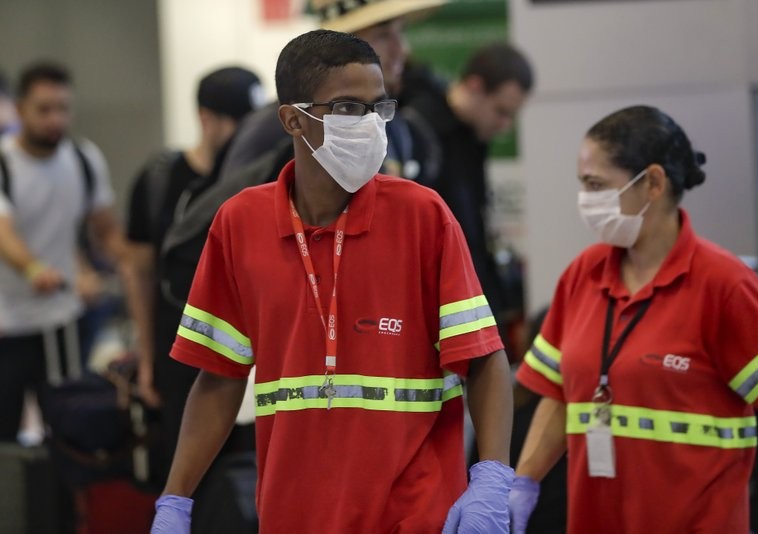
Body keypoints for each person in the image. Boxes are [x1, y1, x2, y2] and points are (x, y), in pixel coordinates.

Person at [151, 29, 515, 533]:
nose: (368, 124)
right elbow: (219, 377)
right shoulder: (239, 223)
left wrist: (492, 477)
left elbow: (483, 358)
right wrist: (175, 500)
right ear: (292, 119)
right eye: (347, 108)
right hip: (293, 514)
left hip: (415, 514)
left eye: (378, 107)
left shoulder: (422, 215)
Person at [508, 105, 758, 533]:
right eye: (582, 184)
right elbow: (556, 394)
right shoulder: (582, 276)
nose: (585, 200)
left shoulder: (723, 285)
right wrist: (523, 484)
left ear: (653, 184)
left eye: (596, 185)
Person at [126, 66, 264, 478]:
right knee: (189, 468)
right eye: (240, 123)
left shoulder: (262, 180)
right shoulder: (161, 180)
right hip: (180, 346)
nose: (249, 135)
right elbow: (138, 270)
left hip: (248, 349)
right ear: (207, 119)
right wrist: (147, 355)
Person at [0, 61, 146, 440]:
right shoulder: (4, 163)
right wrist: (34, 270)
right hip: (6, 324)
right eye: (44, 109)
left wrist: (135, 260)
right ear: (20, 110)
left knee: (67, 428)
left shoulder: (83, 159)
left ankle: (61, 500)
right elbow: (4, 234)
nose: (55, 119)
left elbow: (106, 229)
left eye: (63, 109)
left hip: (59, 322)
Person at [216, 0, 445, 182]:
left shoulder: (393, 124)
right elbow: (233, 221)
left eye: (400, 31)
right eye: (383, 35)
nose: (402, 49)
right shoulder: (279, 127)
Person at [404, 43, 533, 347]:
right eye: (501, 111)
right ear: (475, 86)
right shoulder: (419, 127)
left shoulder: (472, 136)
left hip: (465, 299)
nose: (504, 125)